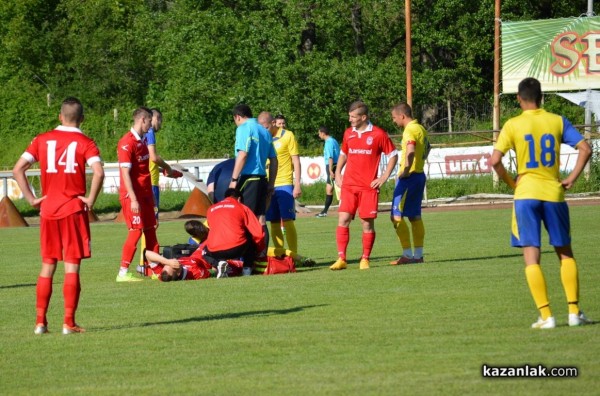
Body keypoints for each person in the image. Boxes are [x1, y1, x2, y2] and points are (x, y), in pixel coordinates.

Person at [490, 77, 592, 329]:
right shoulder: (557, 120)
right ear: (541, 97)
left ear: (518, 98)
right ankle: (573, 312)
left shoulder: (512, 125)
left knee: (531, 256)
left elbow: (494, 161)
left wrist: (512, 183)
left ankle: (546, 316)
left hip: (525, 194)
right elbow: (585, 149)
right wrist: (571, 178)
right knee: (564, 253)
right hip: (553, 192)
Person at [12, 97, 104, 335]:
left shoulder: (41, 140)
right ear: (82, 119)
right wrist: (91, 199)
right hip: (73, 209)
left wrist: (31, 199)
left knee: (47, 266)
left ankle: (40, 322)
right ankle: (68, 323)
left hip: (49, 210)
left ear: (59, 116)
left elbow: (17, 169)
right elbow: (99, 172)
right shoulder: (86, 142)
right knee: (71, 267)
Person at [330, 101, 398, 271]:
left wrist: (383, 177)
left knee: (366, 224)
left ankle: (365, 258)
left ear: (363, 117)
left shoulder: (378, 134)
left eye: (353, 117)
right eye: (349, 116)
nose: (350, 119)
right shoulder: (348, 133)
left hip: (368, 187)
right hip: (349, 185)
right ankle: (341, 258)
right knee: (343, 219)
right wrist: (338, 172)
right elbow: (344, 154)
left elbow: (393, 155)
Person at [116, 107, 159, 282]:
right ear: (143, 120)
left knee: (151, 230)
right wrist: (133, 199)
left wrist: (152, 196)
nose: (151, 124)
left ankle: (155, 269)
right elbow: (125, 173)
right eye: (150, 120)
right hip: (132, 196)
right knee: (135, 231)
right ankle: (123, 272)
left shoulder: (142, 141)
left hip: (146, 194)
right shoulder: (127, 142)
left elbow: (144, 173)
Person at [229, 104, 278, 252]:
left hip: (249, 178)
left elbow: (243, 155)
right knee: (261, 218)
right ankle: (262, 255)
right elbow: (274, 160)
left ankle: (247, 258)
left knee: (245, 219)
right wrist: (271, 184)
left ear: (237, 117)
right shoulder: (265, 132)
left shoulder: (243, 128)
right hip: (262, 178)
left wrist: (233, 180)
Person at [389, 103, 431, 265]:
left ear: (402, 116)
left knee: (396, 216)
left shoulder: (410, 130)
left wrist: (405, 171)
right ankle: (418, 255)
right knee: (414, 216)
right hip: (419, 175)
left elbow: (411, 150)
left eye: (394, 118)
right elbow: (427, 149)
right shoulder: (421, 128)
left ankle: (407, 254)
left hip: (409, 178)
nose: (394, 121)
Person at [258, 111, 302, 253]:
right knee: (274, 221)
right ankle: (280, 254)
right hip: (269, 184)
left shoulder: (287, 135)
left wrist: (297, 184)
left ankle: (294, 254)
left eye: (265, 127)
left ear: (273, 123)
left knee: (288, 220)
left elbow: (296, 160)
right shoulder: (263, 138)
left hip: (285, 182)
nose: (263, 131)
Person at [203, 188, 266, 275]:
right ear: (239, 199)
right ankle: (247, 269)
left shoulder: (211, 209)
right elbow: (258, 233)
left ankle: (219, 264)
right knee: (250, 236)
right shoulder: (242, 207)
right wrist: (260, 250)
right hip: (236, 248)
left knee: (204, 252)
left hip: (215, 251)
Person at [145, 108, 179, 218]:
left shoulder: (142, 134)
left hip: (144, 183)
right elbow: (154, 158)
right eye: (160, 121)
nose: (160, 124)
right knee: (153, 222)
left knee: (147, 223)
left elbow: (147, 162)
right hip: (151, 184)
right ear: (156, 118)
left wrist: (162, 170)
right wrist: (168, 168)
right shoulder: (150, 132)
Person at [316, 126, 340, 217]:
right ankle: (325, 211)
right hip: (335, 165)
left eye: (319, 133)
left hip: (332, 166)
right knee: (329, 188)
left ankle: (346, 208)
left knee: (336, 188)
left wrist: (330, 169)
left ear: (323, 133)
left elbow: (330, 157)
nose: (319, 135)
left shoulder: (329, 142)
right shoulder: (334, 140)